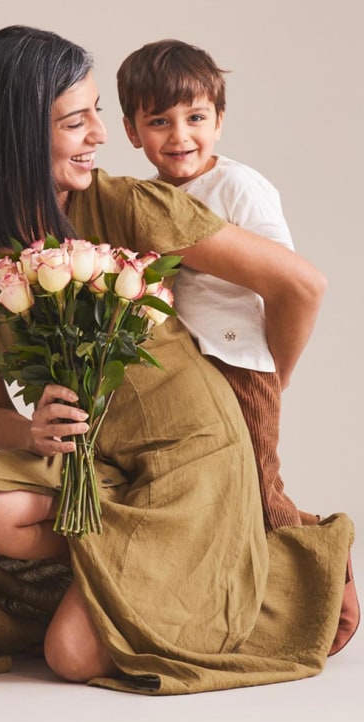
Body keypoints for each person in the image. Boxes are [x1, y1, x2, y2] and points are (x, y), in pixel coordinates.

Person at [0, 25, 353, 695]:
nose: (101, 135)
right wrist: (31, 433)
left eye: (95, 113)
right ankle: (135, 568)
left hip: (191, 452)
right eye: (75, 119)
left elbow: (300, 284)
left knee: (72, 656)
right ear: (18, 132)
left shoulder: (124, 204)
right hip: (92, 465)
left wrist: (268, 383)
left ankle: (295, 564)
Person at [116, 38, 358, 652]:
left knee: (257, 486)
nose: (180, 136)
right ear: (131, 130)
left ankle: (330, 578)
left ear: (219, 120)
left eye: (196, 118)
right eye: (160, 121)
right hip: (187, 367)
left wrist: (274, 374)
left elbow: (290, 283)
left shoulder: (240, 189)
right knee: (217, 493)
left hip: (237, 363)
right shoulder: (149, 198)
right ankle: (236, 602)